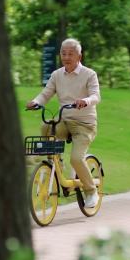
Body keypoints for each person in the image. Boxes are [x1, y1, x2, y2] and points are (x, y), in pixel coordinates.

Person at [26, 38, 101, 208]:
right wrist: (36, 102)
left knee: (76, 158)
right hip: (65, 121)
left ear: (79, 56)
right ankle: (54, 163)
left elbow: (96, 96)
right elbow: (46, 94)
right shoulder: (57, 75)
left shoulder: (89, 74)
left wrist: (86, 100)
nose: (66, 57)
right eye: (63, 53)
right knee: (46, 126)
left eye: (70, 54)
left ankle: (91, 191)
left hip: (85, 124)